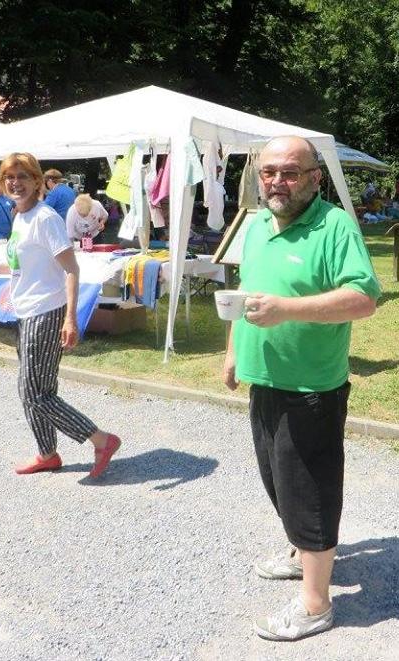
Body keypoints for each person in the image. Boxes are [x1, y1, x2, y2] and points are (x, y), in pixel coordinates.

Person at [223, 136, 380, 641]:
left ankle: (316, 604)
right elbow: (248, 297)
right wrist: (231, 353)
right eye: (269, 172)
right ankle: (299, 555)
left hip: (311, 385)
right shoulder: (256, 227)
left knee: (309, 492)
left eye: (290, 172)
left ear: (316, 178)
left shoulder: (334, 226)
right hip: (263, 379)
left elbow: (363, 298)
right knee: (278, 481)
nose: (277, 181)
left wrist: (286, 310)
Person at [0, 153, 121, 476]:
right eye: (10, 177)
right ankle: (47, 453)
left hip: (46, 311)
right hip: (25, 311)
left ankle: (101, 440)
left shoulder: (45, 218)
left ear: (37, 182)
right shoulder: (20, 216)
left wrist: (71, 318)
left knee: (35, 393)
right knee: (37, 389)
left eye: (23, 176)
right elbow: (28, 262)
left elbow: (71, 268)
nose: (16, 182)